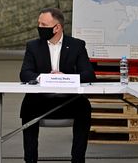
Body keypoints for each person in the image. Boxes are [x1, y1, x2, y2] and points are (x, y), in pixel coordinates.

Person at [19, 8, 96, 163]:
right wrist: (44, 78)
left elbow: (88, 74)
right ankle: (30, 160)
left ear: (57, 27)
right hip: (40, 101)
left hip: (69, 100)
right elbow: (25, 73)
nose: (39, 27)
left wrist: (66, 78)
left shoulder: (77, 46)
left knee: (84, 106)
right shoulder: (33, 46)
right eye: (38, 23)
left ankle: (78, 159)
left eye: (44, 24)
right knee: (27, 106)